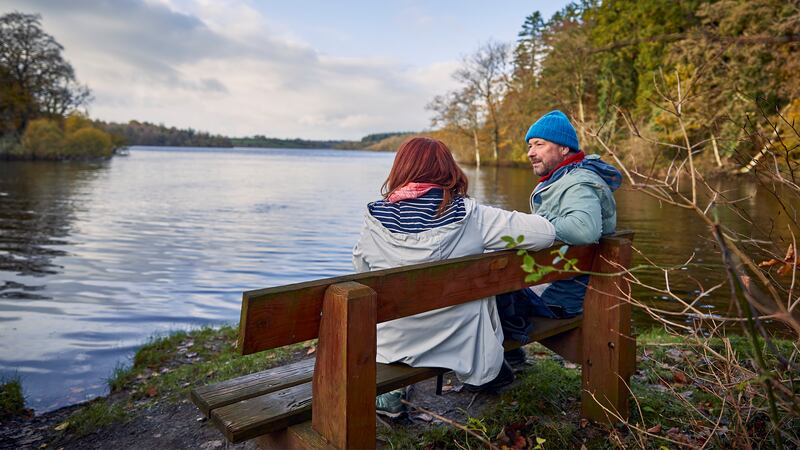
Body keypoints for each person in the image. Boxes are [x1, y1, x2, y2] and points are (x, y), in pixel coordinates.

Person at [352, 137, 556, 417]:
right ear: (449, 170)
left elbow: (362, 276)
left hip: (393, 344)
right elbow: (545, 233)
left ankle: (391, 395)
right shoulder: (472, 216)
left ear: (400, 169)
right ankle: (494, 372)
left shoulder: (372, 220)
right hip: (463, 344)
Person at [498, 110, 622, 365]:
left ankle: (503, 364)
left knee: (485, 291)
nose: (531, 152)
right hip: (558, 282)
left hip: (561, 296)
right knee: (492, 283)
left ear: (564, 148)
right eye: (530, 146)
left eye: (539, 145)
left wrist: (532, 225)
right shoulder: (563, 178)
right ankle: (509, 358)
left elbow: (583, 229)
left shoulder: (577, 182)